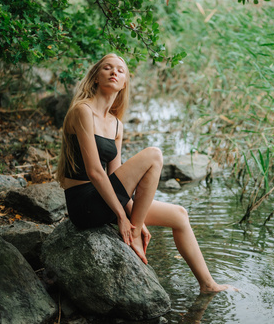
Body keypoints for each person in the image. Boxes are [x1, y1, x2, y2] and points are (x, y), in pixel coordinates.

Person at [56, 53, 229, 293]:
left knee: (180, 215)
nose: (114, 72)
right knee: (154, 154)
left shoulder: (116, 124)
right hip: (84, 204)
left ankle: (208, 285)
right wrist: (125, 219)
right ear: (96, 76)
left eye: (120, 70)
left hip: (105, 198)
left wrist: (135, 213)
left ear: (125, 82)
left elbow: (116, 176)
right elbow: (96, 172)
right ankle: (135, 234)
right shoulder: (82, 111)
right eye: (107, 68)